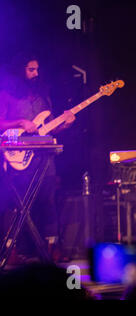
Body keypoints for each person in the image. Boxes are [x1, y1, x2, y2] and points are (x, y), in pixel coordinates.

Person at [0, 53, 75, 262]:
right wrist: (20, 123)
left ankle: (52, 247)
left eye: (37, 69)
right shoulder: (7, 94)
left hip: (43, 157)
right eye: (31, 69)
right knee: (15, 202)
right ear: (20, 70)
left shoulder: (43, 95)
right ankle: (10, 249)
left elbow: (50, 127)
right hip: (17, 156)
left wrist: (66, 123)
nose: (36, 73)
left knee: (49, 199)